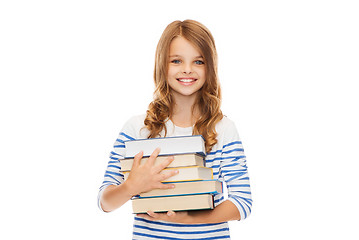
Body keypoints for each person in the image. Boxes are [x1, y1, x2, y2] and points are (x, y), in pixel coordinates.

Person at [98, 19, 252, 239]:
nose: (187, 69)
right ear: (162, 64)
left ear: (210, 66)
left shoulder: (223, 129)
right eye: (177, 61)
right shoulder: (137, 129)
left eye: (198, 61)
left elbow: (243, 202)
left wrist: (187, 218)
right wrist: (132, 185)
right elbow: (105, 202)